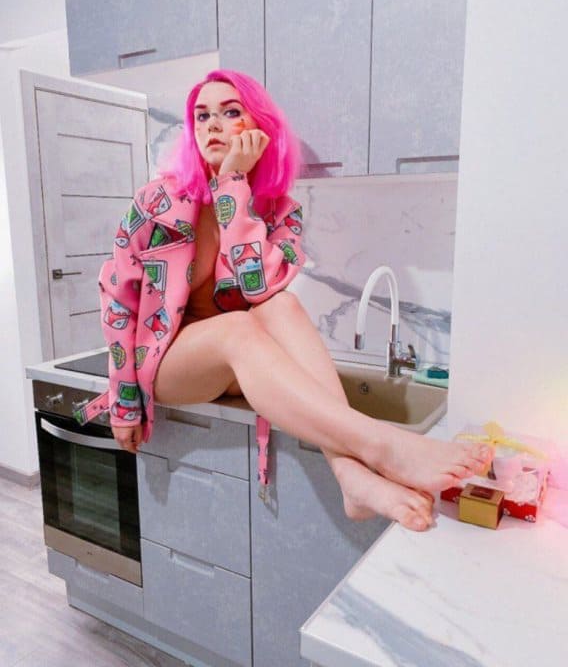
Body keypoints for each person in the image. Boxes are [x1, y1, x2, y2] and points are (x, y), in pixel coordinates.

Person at [78, 69, 493, 531]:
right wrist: (124, 402)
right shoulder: (156, 202)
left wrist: (233, 184)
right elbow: (118, 300)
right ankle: (384, 446)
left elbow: (259, 287)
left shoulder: (281, 213)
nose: (212, 126)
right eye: (202, 116)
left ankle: (351, 477)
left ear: (258, 129)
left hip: (235, 364)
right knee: (239, 328)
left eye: (229, 112)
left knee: (283, 306)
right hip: (170, 364)